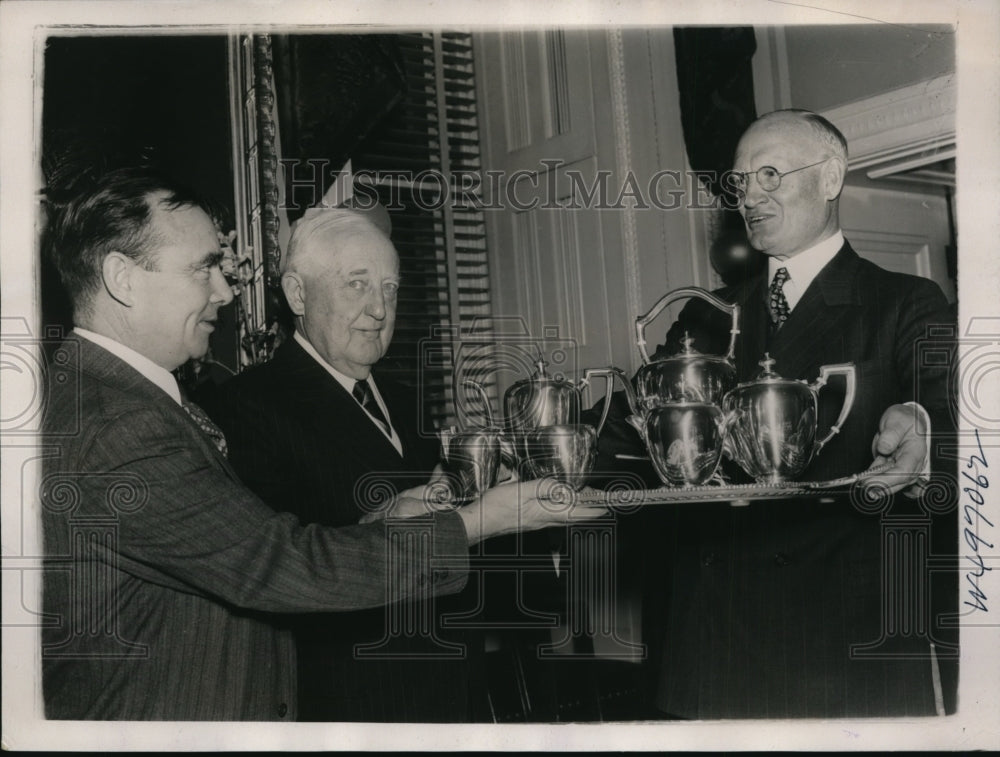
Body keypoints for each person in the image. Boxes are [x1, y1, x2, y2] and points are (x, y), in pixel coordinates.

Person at [39, 167, 605, 720]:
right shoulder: (119, 424)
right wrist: (481, 521)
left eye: (388, 288)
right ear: (122, 278)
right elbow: (278, 564)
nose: (225, 290)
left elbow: (238, 550)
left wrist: (381, 521)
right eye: (204, 267)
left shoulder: (117, 401)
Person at [593, 109, 957, 718]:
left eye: (770, 174)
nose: (749, 197)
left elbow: (955, 410)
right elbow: (628, 425)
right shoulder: (705, 315)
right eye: (740, 182)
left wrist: (922, 425)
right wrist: (534, 445)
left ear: (831, 178)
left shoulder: (902, 301)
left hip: (842, 648)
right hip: (713, 648)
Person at [202, 204, 487, 722]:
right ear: (297, 295)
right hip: (345, 702)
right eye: (357, 284)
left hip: (446, 692)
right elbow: (276, 572)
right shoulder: (246, 406)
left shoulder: (406, 398)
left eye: (391, 288)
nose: (380, 309)